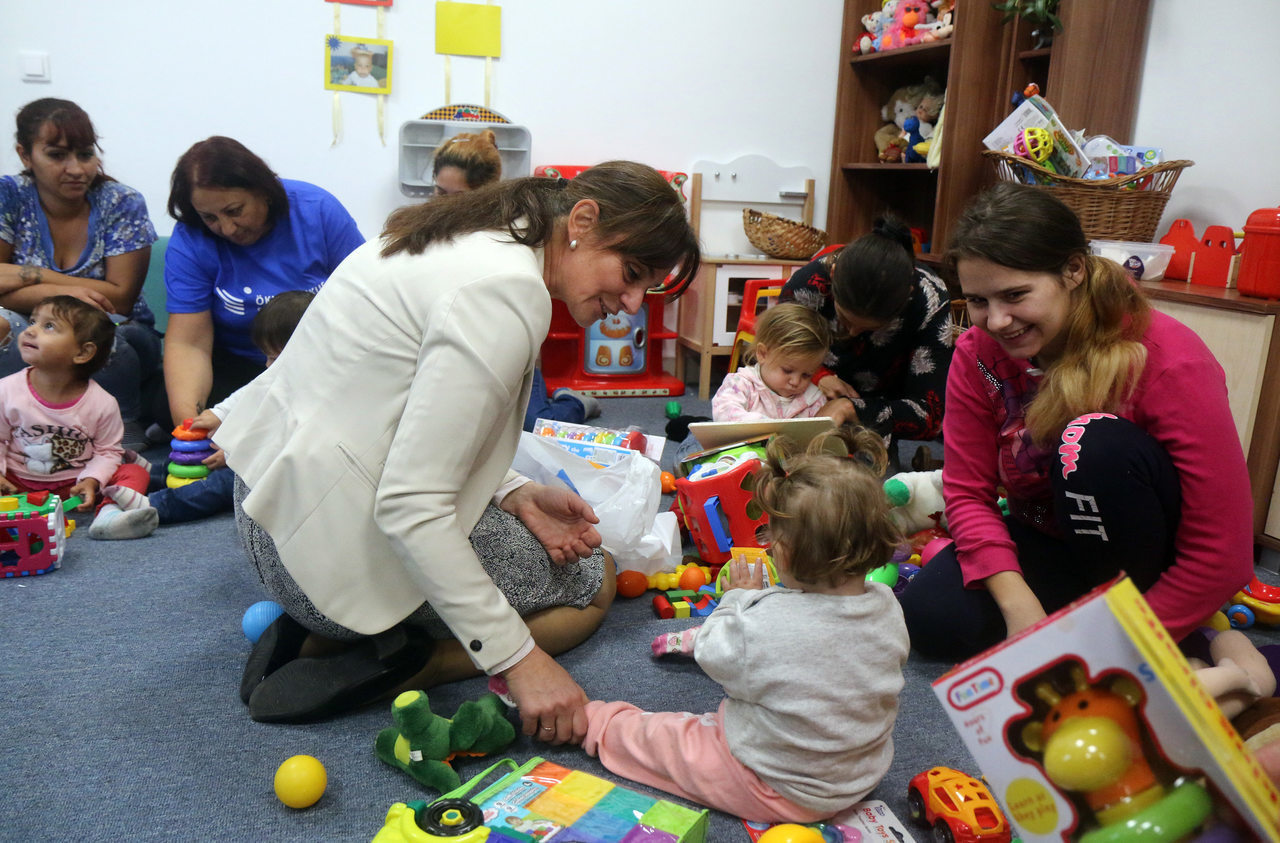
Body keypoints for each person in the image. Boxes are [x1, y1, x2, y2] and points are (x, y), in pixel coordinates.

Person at [213, 161, 701, 730]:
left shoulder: (460, 234)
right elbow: (410, 506)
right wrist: (520, 660)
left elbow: (396, 412)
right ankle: (412, 663)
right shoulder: (507, 291)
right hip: (323, 554)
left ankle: (321, 632)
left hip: (266, 509)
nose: (636, 302)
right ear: (583, 220)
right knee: (596, 580)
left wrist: (514, 493)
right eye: (633, 271)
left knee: (526, 549)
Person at [899, 183, 1255, 661]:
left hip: (1146, 561)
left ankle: (1175, 623)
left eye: (1015, 295)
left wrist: (1121, 647)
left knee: (1088, 445)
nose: (997, 320)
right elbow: (967, 491)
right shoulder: (976, 352)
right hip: (1052, 538)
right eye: (979, 301)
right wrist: (1019, 607)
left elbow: (1223, 554)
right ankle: (1090, 617)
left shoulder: (1171, 362)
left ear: (1073, 270)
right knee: (932, 618)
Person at [583, 428, 909, 824]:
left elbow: (713, 655)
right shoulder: (888, 606)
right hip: (858, 778)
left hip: (775, 787)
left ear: (782, 553)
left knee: (670, 738)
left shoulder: (763, 622)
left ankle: (598, 724)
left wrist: (736, 599)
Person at [162, 136, 364, 426]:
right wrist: (189, 431)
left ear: (264, 191)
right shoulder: (191, 239)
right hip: (240, 368)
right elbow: (189, 343)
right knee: (183, 404)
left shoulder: (317, 209)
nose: (228, 228)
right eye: (210, 218)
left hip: (324, 362)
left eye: (235, 211)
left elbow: (367, 302)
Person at [0, 98, 163, 451]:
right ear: (25, 155)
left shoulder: (120, 201)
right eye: (57, 155)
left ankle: (121, 428)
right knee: (7, 325)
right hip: (29, 331)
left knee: (92, 332)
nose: (76, 168)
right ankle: (19, 430)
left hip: (121, 334)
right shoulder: (9, 194)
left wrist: (21, 277)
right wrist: (67, 291)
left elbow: (117, 300)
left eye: (86, 154)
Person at [99, 291, 316, 537]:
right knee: (198, 461)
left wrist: (237, 453)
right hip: (251, 453)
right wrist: (217, 414)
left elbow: (281, 438)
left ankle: (154, 506)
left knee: (220, 485)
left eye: (275, 358)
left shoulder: (314, 392)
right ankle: (153, 473)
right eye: (266, 357)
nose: (268, 366)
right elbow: (250, 392)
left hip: (276, 471)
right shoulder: (280, 374)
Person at [429, 130, 600, 427]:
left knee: (532, 425)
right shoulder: (432, 228)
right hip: (457, 347)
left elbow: (526, 326)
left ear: (484, 194)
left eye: (457, 197)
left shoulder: (510, 236)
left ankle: (574, 402)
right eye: (440, 193)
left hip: (509, 353)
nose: (444, 205)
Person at [779, 215, 952, 439]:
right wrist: (819, 376)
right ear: (832, 276)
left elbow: (930, 416)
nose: (851, 333)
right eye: (845, 320)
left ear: (907, 299)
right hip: (805, 395)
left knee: (865, 471)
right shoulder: (808, 284)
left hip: (877, 414)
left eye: (872, 328)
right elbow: (777, 352)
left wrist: (850, 408)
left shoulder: (929, 301)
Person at [0, 295, 152, 539]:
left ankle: (109, 516)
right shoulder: (6, 391)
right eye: (32, 322)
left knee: (135, 472)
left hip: (74, 486)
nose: (30, 331)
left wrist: (92, 481)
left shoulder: (102, 403)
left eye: (49, 326)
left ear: (82, 352)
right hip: (17, 484)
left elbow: (107, 452)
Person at [711, 302, 834, 422]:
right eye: (787, 370)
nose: (796, 382)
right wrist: (766, 426)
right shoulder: (741, 384)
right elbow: (723, 413)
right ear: (763, 354)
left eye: (806, 375)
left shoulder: (813, 399)